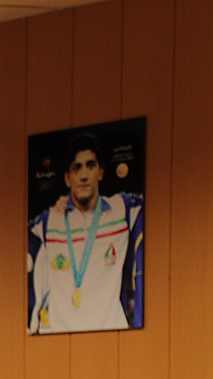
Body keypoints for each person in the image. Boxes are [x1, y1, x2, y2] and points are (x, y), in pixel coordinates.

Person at [28, 131, 144, 334]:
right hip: (57, 338)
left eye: (90, 165)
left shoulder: (122, 209)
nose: (83, 175)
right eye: (76, 167)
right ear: (67, 178)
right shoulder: (49, 221)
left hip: (112, 334)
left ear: (101, 172)